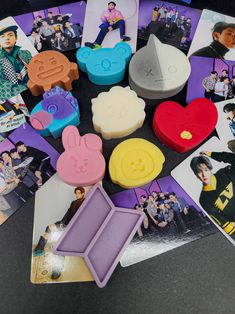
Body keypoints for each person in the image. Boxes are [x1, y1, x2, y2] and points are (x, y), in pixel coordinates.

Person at [33, 187, 86, 279]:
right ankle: (39, 249)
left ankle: (57, 269)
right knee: (49, 227)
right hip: (65, 223)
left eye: (78, 193)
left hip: (74, 227)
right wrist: (62, 223)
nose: (77, 195)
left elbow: (82, 218)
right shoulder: (73, 203)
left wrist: (68, 227)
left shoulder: (86, 203)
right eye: (76, 193)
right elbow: (67, 214)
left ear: (83, 193)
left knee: (62, 244)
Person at [190, 151, 235, 239]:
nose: (203, 174)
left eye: (206, 170)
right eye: (199, 172)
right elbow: (224, 224)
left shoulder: (224, 173)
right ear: (196, 175)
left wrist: (212, 154)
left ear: (210, 169)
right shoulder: (204, 200)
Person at [0, 25, 32, 101]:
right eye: (2, 36)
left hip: (37, 89)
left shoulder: (26, 53)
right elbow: (3, 88)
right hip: (17, 98)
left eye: (10, 35)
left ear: (16, 38)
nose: (7, 38)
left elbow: (36, 71)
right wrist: (27, 86)